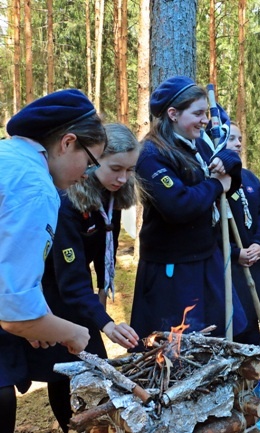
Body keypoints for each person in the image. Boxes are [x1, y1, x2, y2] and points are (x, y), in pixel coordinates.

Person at [25, 123, 141, 432]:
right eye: (116, 168)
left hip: (78, 293)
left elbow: (107, 250)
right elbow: (70, 280)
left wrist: (102, 299)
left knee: (93, 367)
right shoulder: (66, 202)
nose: (123, 178)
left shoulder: (111, 196)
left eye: (130, 170)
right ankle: (71, 426)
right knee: (64, 370)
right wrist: (105, 323)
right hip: (52, 294)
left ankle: (94, 424)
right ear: (94, 159)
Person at [0, 89, 103, 433]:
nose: (87, 173)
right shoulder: (37, 188)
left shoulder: (7, 158)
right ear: (67, 142)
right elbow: (16, 313)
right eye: (90, 161)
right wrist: (73, 333)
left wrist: (38, 323)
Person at [131, 76, 247, 347]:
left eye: (206, 112)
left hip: (205, 257)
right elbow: (179, 205)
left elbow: (228, 179)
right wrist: (216, 184)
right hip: (172, 269)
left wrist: (229, 162)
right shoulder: (151, 155)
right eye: (197, 113)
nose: (205, 119)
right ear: (173, 114)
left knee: (218, 336)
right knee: (178, 347)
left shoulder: (198, 143)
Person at [225, 122, 260, 345]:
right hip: (228, 265)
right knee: (233, 321)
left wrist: (259, 243)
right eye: (231, 138)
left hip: (254, 260)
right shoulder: (211, 180)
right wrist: (234, 252)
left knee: (251, 318)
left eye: (239, 138)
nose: (238, 143)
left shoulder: (248, 178)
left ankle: (253, 371)